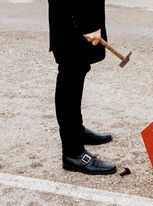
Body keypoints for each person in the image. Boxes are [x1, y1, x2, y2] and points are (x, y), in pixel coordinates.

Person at [48, 0, 116, 175]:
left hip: (76, 14)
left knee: (77, 69)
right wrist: (89, 24)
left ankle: (76, 131)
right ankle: (73, 152)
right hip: (74, 17)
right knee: (70, 73)